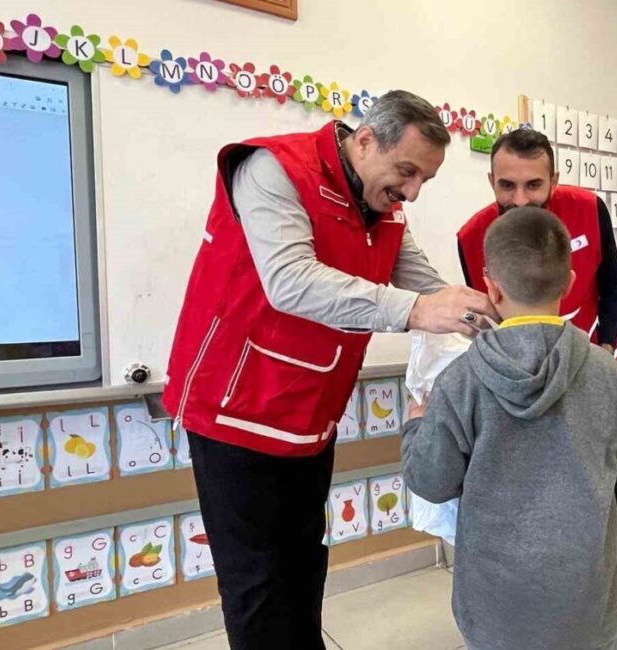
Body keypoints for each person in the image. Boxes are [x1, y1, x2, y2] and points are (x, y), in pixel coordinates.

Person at [161, 90, 498, 649]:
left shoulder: (384, 206)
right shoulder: (272, 170)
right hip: (237, 412)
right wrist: (417, 311)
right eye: (406, 172)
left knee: (303, 560)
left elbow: (420, 278)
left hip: (310, 416)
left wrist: (486, 314)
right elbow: (291, 280)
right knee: (258, 582)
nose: (411, 192)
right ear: (366, 140)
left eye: (423, 182)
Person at [402, 206, 617, 650]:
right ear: (570, 284)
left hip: (495, 612)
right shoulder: (611, 377)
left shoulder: (459, 382)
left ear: (490, 288)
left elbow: (431, 482)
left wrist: (415, 426)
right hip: (589, 606)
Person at [456, 129, 617, 648]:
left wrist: (604, 345)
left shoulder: (588, 208)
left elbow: (614, 283)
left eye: (533, 185)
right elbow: (485, 310)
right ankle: (519, 608)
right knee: (527, 500)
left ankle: (614, 603)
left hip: (590, 362)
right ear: (490, 181)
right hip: (516, 375)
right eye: (506, 186)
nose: (520, 199)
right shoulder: (472, 235)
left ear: (554, 179)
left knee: (605, 495)